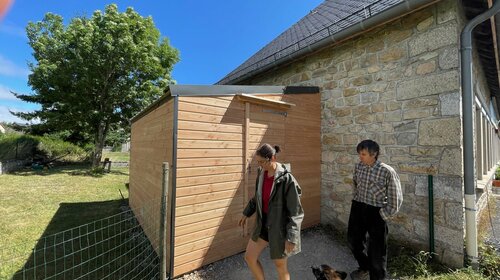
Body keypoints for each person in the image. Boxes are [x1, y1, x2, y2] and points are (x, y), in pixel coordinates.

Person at [238, 143, 304, 280]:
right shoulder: (261, 174)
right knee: (250, 257)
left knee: (280, 266)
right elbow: (258, 197)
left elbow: (296, 212)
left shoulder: (287, 179)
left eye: (262, 162)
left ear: (272, 158)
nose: (260, 165)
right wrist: (246, 212)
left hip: (279, 229)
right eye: (258, 162)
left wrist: (292, 237)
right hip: (262, 225)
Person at [348, 140, 403, 280]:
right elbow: (355, 184)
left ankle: (377, 277)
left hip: (376, 212)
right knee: (353, 241)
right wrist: (355, 201)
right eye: (359, 153)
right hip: (358, 207)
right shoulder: (358, 166)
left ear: (374, 154)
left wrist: (382, 215)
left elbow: (396, 198)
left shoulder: (387, 171)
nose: (360, 156)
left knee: (376, 252)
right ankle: (365, 267)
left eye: (363, 154)